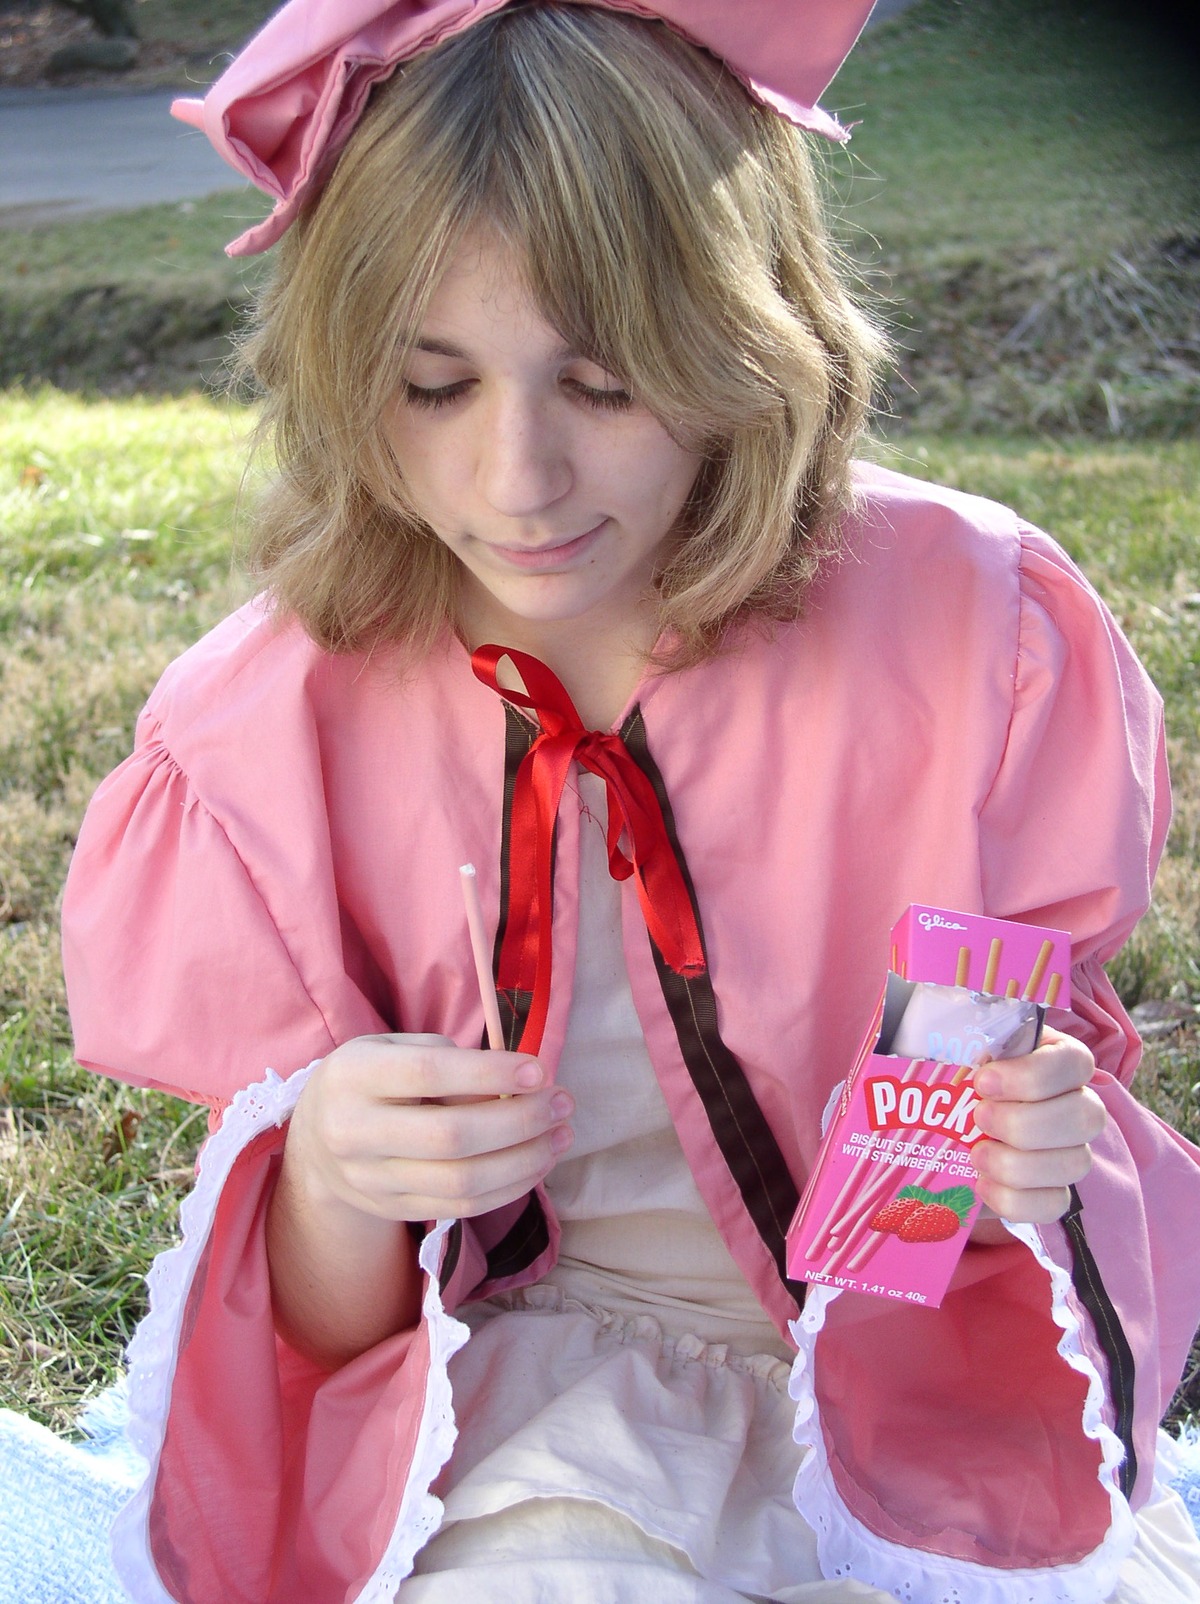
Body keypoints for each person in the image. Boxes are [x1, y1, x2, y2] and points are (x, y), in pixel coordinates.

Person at [59, 3, 1200, 1602]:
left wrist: (1037, 1155)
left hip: (917, 1391)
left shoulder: (977, 639)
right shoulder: (270, 733)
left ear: (751, 333)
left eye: (601, 383)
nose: (516, 477)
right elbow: (319, 1329)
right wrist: (326, 1176)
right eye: (432, 385)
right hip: (527, 1406)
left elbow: (1028, 1150)